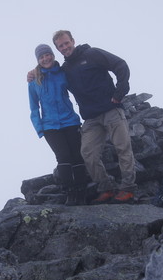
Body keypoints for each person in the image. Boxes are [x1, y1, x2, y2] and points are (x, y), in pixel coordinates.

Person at [50, 30, 136, 204]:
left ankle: (127, 188)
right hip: (91, 118)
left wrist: (120, 93)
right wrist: (33, 72)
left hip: (111, 110)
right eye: (61, 46)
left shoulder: (92, 54)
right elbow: (48, 75)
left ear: (73, 41)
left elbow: (120, 65)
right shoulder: (65, 69)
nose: (65, 47)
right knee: (87, 153)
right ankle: (106, 188)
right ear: (58, 49)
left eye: (67, 43)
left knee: (123, 148)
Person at [28, 44, 87, 206]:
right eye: (41, 57)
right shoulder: (34, 81)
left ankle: (82, 192)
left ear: (52, 55)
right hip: (50, 126)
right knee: (63, 157)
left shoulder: (63, 73)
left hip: (70, 121)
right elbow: (34, 107)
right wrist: (39, 128)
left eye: (48, 55)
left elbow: (78, 90)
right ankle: (70, 193)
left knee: (77, 156)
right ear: (38, 60)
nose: (45, 58)